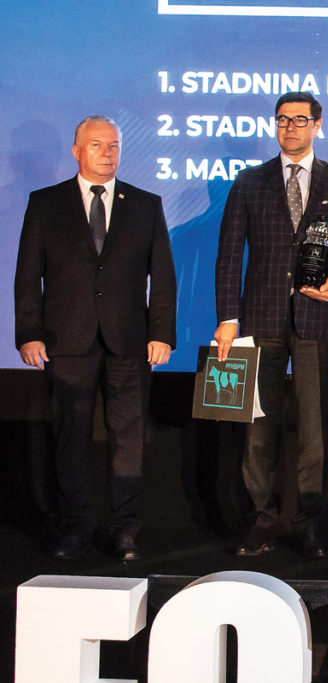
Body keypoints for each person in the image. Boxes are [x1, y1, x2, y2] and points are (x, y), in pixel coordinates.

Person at [215, 92, 328, 559]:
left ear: (318, 125)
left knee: (312, 430)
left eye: (300, 120)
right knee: (257, 429)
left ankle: (309, 523)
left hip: (316, 319)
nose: (290, 128)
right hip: (258, 320)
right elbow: (229, 254)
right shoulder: (249, 182)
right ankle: (260, 521)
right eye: (283, 120)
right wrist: (227, 319)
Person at [14, 115, 177, 561]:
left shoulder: (144, 204)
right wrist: (29, 332)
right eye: (97, 145)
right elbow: (27, 274)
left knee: (128, 438)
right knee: (71, 439)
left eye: (114, 145)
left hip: (130, 340)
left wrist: (162, 332)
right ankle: (76, 526)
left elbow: (163, 275)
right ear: (77, 151)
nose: (107, 152)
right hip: (65, 339)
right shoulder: (46, 203)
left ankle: (125, 530)